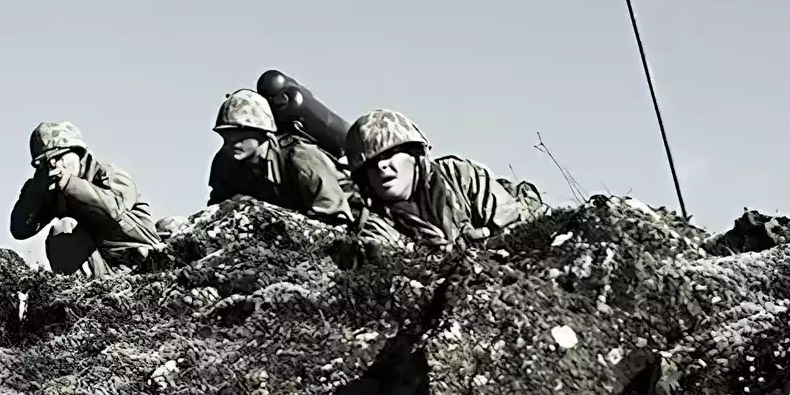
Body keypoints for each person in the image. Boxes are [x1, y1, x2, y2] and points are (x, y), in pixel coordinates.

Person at [344, 108, 543, 251]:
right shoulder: (377, 227)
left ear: (415, 155)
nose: (381, 165)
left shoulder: (459, 175)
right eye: (371, 163)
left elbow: (514, 218)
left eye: (389, 154)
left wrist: (483, 236)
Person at [9, 121, 161, 278]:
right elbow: (20, 230)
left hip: (142, 259)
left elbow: (114, 210)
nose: (56, 165)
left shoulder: (109, 175)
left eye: (58, 157)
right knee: (64, 226)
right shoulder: (53, 189)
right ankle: (80, 286)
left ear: (78, 153)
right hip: (102, 267)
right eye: (45, 163)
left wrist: (71, 185)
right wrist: (35, 191)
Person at [207, 89, 357, 223]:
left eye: (240, 134)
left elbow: (333, 211)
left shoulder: (300, 156)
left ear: (263, 132)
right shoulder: (225, 162)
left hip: (352, 217)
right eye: (226, 135)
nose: (232, 142)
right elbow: (218, 209)